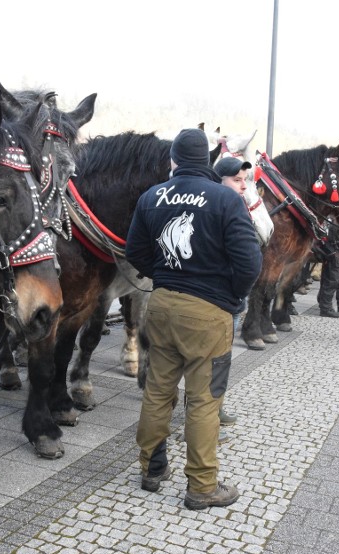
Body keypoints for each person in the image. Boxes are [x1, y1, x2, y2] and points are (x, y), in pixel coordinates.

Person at [126, 129, 262, 509]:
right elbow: (250, 261)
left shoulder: (152, 196)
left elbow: (134, 250)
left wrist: (165, 276)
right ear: (207, 161)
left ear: (172, 160)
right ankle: (202, 487)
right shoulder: (224, 198)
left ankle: (151, 470)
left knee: (158, 391)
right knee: (204, 400)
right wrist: (229, 294)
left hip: (163, 304)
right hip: (208, 311)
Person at [214, 156, 270, 427]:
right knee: (213, 361)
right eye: (237, 180)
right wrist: (237, 292)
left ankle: (216, 406)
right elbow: (249, 263)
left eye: (245, 181)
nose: (243, 187)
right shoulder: (220, 207)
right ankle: (206, 416)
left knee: (221, 358)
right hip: (219, 297)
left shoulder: (238, 204)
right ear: (220, 179)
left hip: (227, 296)